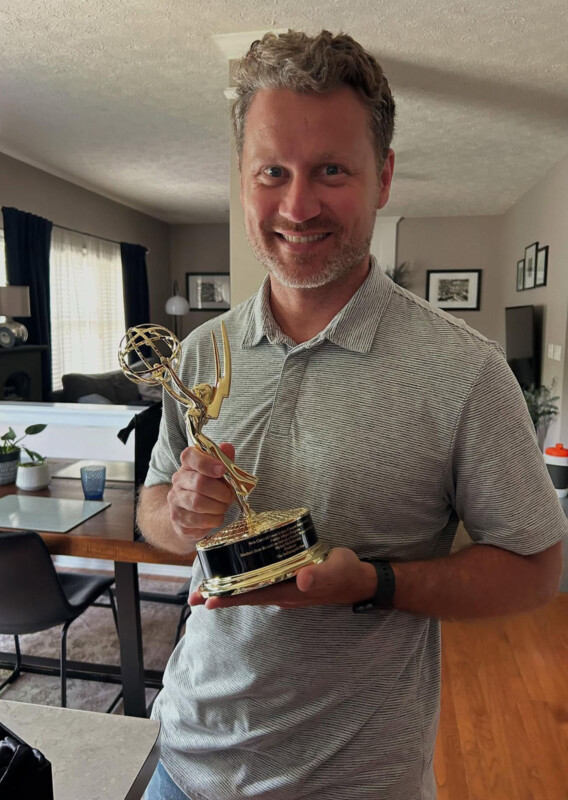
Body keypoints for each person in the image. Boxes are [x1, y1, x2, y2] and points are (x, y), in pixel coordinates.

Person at [138, 30, 566, 800]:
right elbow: (155, 515)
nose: (298, 206)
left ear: (384, 177)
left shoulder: (465, 371)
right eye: (273, 172)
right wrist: (178, 513)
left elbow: (537, 570)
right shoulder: (200, 353)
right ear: (242, 178)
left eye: (331, 170)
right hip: (183, 761)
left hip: (355, 782)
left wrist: (373, 583)